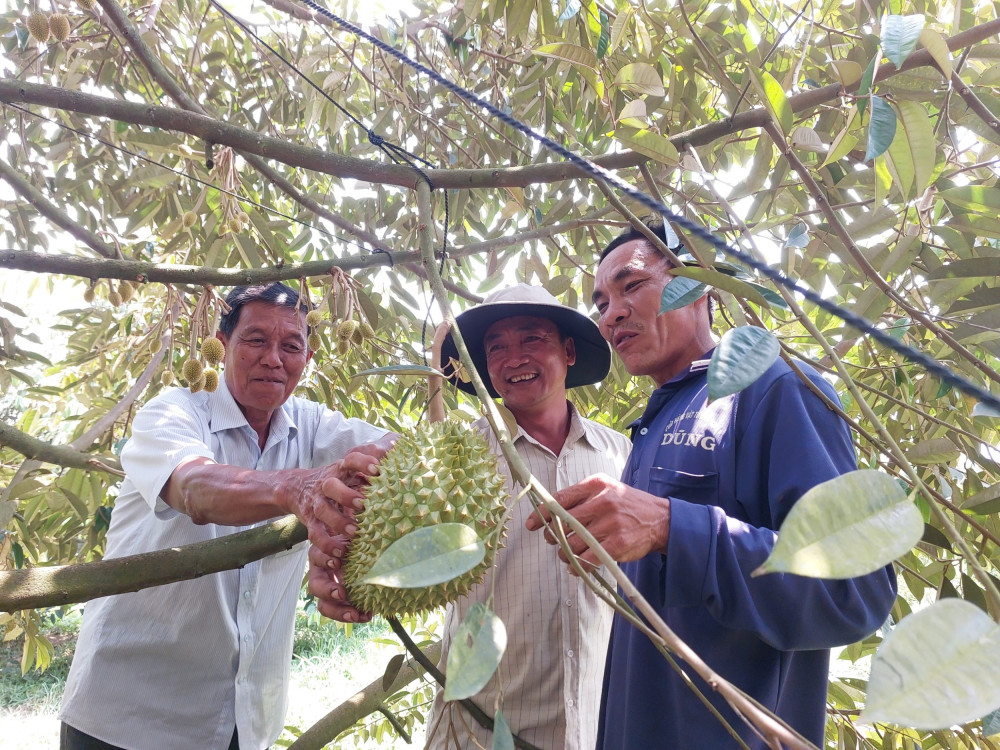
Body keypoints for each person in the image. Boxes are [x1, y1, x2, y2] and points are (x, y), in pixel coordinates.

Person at [526, 219, 898, 749]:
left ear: (699, 284)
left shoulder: (777, 388)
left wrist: (673, 528)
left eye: (631, 286)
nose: (612, 315)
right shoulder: (654, 424)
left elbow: (855, 587)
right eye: (601, 303)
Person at [59, 282, 393, 750]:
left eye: (291, 345)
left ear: (308, 359)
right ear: (222, 345)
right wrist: (296, 488)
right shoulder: (173, 413)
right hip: (126, 719)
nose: (273, 358)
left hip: (245, 725)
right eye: (255, 340)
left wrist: (346, 553)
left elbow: (402, 456)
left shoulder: (314, 425)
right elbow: (194, 487)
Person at [419, 284, 631, 750]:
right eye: (496, 347)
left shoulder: (620, 455)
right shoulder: (457, 458)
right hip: (478, 728)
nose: (514, 359)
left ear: (569, 351)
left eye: (532, 339)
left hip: (594, 723)